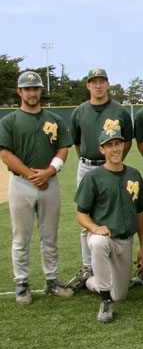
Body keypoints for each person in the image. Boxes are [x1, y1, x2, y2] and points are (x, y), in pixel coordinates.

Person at [0, 71, 74, 305]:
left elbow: (63, 148)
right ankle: (22, 282)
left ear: (40, 91)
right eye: (27, 89)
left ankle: (52, 280)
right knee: (21, 237)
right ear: (20, 92)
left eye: (36, 88)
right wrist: (31, 174)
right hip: (22, 183)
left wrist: (49, 171)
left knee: (49, 235)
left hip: (49, 181)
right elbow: (5, 153)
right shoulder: (9, 121)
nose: (32, 92)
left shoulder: (54, 119)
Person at [66, 68, 135, 290]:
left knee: (116, 210)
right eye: (93, 82)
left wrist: (114, 162)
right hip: (87, 165)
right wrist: (88, 162)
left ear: (107, 84)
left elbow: (127, 142)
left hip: (114, 167)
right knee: (87, 217)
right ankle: (89, 267)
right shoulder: (79, 112)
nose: (98, 85)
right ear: (88, 86)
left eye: (102, 81)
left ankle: (113, 261)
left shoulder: (120, 112)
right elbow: (77, 142)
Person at [74, 128, 143, 323]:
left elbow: (140, 213)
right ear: (102, 150)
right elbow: (81, 214)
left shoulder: (134, 174)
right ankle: (105, 301)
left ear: (123, 146)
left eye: (117, 144)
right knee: (98, 243)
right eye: (109, 145)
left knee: (120, 295)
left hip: (125, 240)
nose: (114, 149)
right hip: (104, 236)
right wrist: (94, 228)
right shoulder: (94, 177)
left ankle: (88, 281)